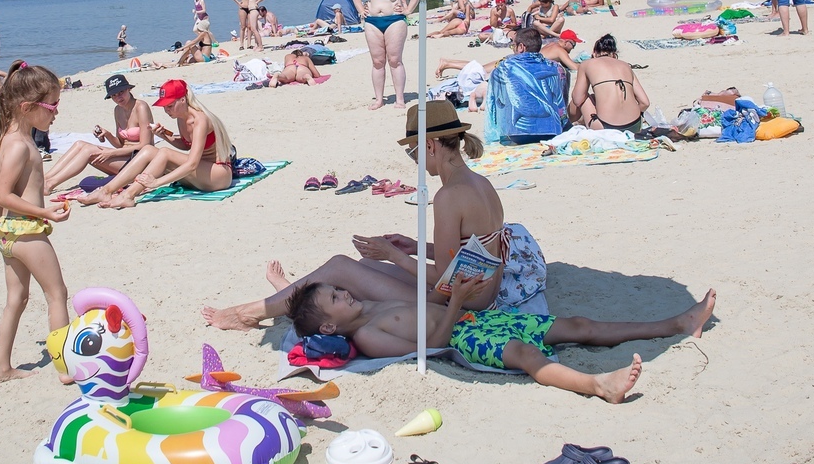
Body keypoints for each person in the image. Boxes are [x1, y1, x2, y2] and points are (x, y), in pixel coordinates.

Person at [203, 101, 550, 330]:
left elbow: (444, 280)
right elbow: (468, 252)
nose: (415, 161)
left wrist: (395, 256)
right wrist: (415, 246)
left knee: (342, 267)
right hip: (483, 290)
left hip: (459, 304)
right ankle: (290, 293)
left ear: (430, 145)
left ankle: (248, 313)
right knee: (360, 268)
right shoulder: (478, 182)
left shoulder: (449, 197)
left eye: (414, 153)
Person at [286, 278, 714, 400]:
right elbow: (432, 343)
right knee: (527, 356)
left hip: (475, 317)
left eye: (338, 289)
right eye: (335, 298)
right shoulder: (370, 335)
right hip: (465, 338)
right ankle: (598, 386)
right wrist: (456, 304)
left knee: (578, 325)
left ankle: (676, 324)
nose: (345, 292)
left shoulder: (373, 308)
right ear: (328, 328)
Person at [0, 62, 70, 384]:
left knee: (16, 300)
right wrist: (45, 213)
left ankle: (2, 369)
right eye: (52, 106)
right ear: (27, 107)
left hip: (8, 232)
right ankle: (66, 369)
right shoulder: (20, 145)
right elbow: (5, 193)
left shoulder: (6, 137)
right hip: (27, 232)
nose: (56, 112)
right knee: (57, 294)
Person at [80, 79, 233, 207]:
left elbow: (192, 164)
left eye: (170, 105)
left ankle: (128, 195)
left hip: (218, 175)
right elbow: (187, 146)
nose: (167, 110)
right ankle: (106, 191)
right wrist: (165, 135)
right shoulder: (181, 117)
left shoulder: (200, 120)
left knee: (164, 152)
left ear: (183, 99)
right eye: (164, 106)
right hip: (201, 172)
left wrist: (157, 182)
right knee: (148, 149)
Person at [43, 73, 155, 192]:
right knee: (79, 144)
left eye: (121, 92)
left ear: (128, 89)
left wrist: (112, 154)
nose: (118, 98)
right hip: (124, 158)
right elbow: (121, 144)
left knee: (88, 151)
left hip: (140, 162)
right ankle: (46, 179)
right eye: (114, 95)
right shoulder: (118, 110)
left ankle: (51, 184)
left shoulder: (141, 107)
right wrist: (107, 134)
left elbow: (145, 145)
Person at [352, 0, 421, 110]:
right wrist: (361, 10)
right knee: (377, 62)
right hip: (372, 22)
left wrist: (409, 10)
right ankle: (379, 100)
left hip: (394, 20)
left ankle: (400, 99)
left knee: (395, 60)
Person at [571, 34, 650, 133]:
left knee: (582, 95)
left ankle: (567, 123)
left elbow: (577, 100)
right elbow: (645, 102)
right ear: (614, 54)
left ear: (594, 53)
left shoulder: (586, 64)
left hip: (605, 127)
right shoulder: (626, 66)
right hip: (634, 126)